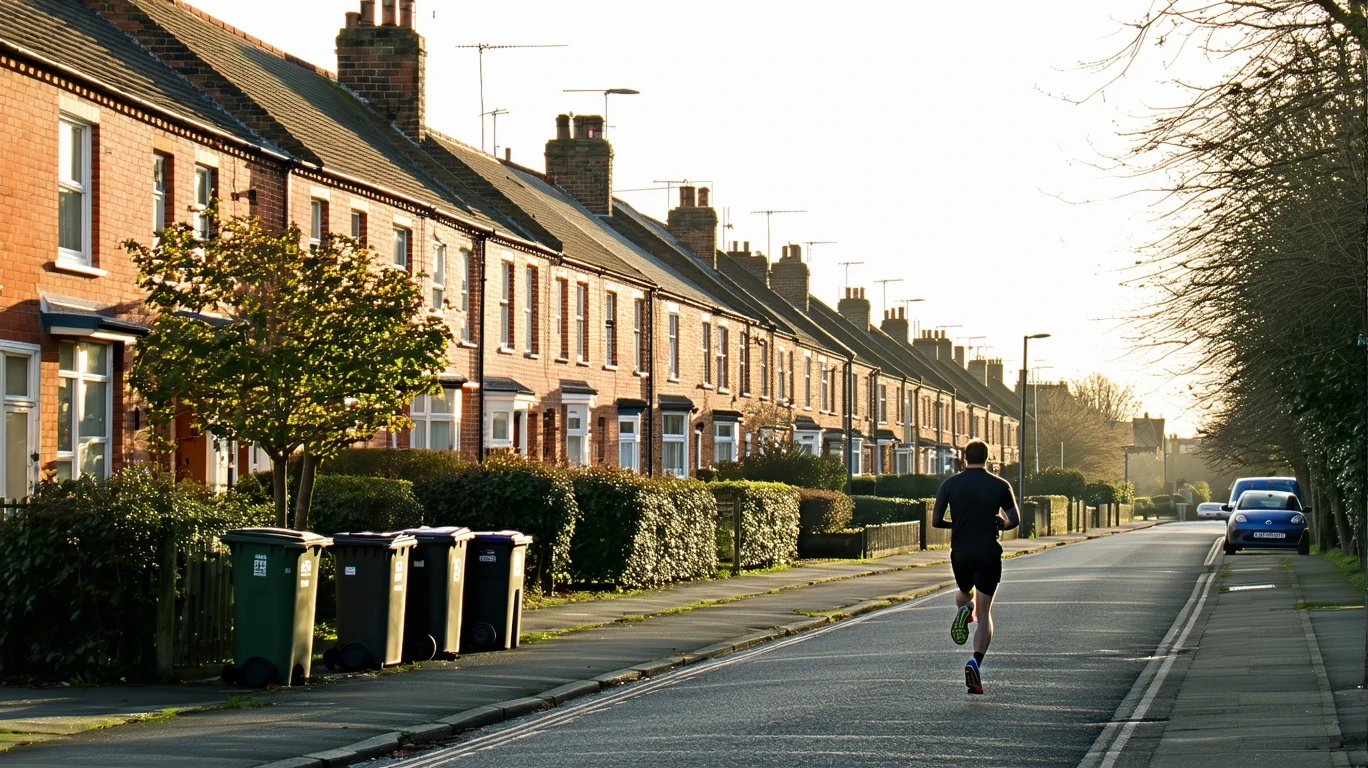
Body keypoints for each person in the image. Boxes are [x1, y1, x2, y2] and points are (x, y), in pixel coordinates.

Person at [932, 439, 1020, 695]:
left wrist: (957, 524)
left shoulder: (949, 484)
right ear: (988, 457)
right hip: (988, 552)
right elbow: (1013, 520)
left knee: (963, 590)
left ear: (964, 457)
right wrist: (998, 524)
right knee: (986, 614)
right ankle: (975, 661)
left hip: (961, 552)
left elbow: (936, 521)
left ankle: (964, 609)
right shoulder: (1000, 485)